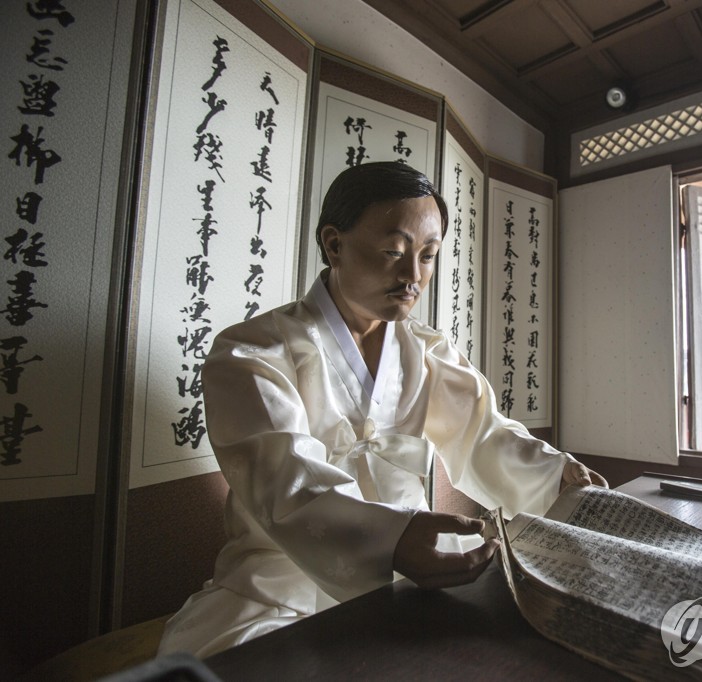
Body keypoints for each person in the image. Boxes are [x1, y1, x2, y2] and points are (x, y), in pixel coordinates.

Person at [158, 161, 606, 658]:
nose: (412, 276)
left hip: (416, 574)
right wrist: (389, 539)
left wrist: (556, 477)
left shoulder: (429, 354)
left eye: (429, 256)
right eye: (394, 251)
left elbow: (483, 436)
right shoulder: (252, 353)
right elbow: (285, 477)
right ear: (334, 244)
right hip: (279, 584)